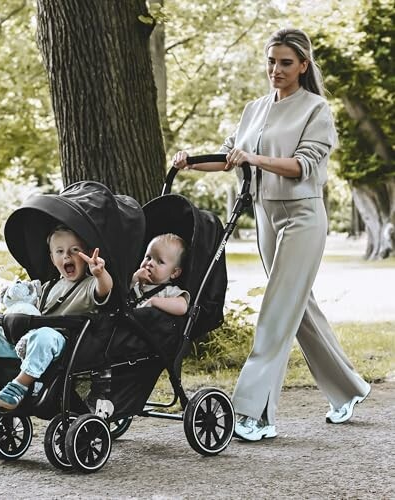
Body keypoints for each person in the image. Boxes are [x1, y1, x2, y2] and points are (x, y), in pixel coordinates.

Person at [173, 28, 370, 442]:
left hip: (303, 217)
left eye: (285, 62)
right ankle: (350, 389)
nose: (275, 70)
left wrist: (254, 158)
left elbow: (302, 166)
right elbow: (231, 158)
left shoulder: (316, 109)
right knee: (299, 311)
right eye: (271, 61)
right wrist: (192, 160)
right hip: (266, 217)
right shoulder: (254, 109)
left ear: (302, 66)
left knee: (276, 311)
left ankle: (256, 413)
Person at [0, 225, 113, 412]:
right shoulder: (48, 287)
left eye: (74, 250)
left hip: (63, 346)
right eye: (60, 252)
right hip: (29, 343)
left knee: (44, 335)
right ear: (53, 259)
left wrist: (100, 273)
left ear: (85, 255)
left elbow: (104, 290)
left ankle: (19, 385)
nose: (67, 256)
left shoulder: (89, 285)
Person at [130, 233, 190, 315]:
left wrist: (153, 301)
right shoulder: (135, 282)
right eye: (148, 257)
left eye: (160, 262)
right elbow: (119, 295)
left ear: (174, 272)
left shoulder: (168, 291)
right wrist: (134, 279)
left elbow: (182, 307)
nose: (150, 263)